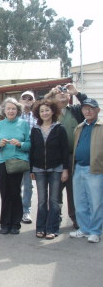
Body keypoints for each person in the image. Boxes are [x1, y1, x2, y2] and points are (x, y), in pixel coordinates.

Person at [45, 84, 87, 229]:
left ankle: (75, 217)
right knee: (55, 190)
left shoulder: (76, 110)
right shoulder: (49, 111)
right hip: (54, 158)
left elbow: (88, 105)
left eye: (65, 93)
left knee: (73, 189)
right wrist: (50, 93)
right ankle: (56, 217)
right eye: (60, 93)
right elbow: (38, 106)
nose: (63, 94)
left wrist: (77, 93)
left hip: (73, 157)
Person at [0, 98, 31, 235]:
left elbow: (29, 144)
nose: (11, 111)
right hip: (2, 162)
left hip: (17, 161)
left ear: (18, 110)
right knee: (5, 193)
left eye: (13, 108)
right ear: (4, 110)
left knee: (15, 192)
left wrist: (20, 144)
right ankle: (5, 223)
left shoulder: (24, 124)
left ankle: (15, 223)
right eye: (8, 108)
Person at [30, 100, 69, 239]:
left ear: (52, 111)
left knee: (54, 201)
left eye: (47, 110)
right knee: (41, 200)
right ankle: (40, 228)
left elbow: (65, 150)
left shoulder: (59, 128)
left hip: (56, 169)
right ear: (38, 114)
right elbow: (32, 150)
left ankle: (52, 229)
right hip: (39, 169)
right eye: (41, 111)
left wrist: (65, 169)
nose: (44, 113)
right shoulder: (35, 129)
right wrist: (31, 170)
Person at [70, 98, 103, 243]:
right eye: (85, 108)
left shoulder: (101, 126)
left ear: (98, 110)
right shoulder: (79, 127)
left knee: (95, 202)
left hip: (95, 170)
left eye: (91, 108)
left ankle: (95, 231)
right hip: (78, 168)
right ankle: (84, 229)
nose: (87, 111)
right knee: (80, 202)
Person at [19, 91, 37, 224]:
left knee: (28, 185)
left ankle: (26, 211)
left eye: (29, 98)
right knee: (14, 184)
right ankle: (16, 209)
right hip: (15, 154)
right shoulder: (15, 115)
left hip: (30, 154)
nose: (26, 100)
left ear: (33, 101)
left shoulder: (37, 117)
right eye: (24, 98)